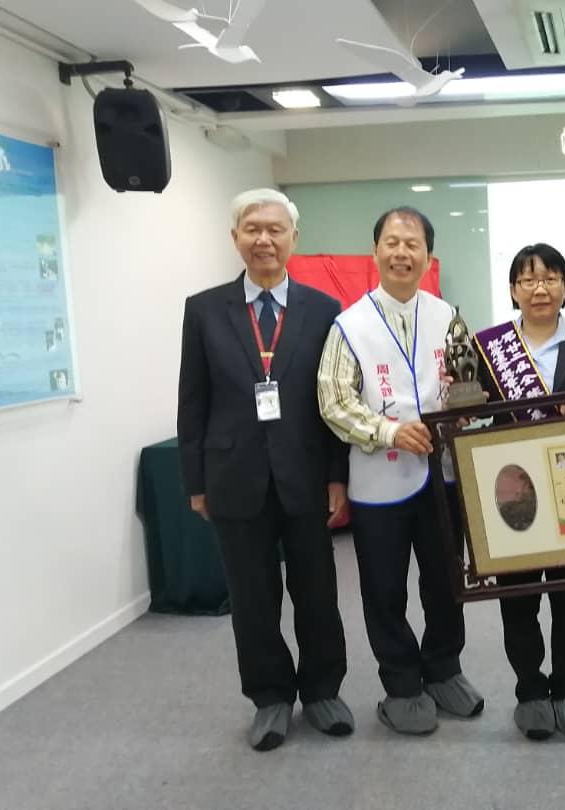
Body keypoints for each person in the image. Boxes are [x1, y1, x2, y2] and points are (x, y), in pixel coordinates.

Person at [177, 188, 352, 751]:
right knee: (252, 599)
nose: (264, 239)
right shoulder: (203, 310)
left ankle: (323, 691)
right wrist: (196, 482)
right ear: (235, 238)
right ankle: (271, 699)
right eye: (251, 228)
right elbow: (192, 401)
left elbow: (333, 402)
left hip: (304, 474)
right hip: (234, 478)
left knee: (318, 592)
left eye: (275, 229)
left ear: (293, 239)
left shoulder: (325, 310)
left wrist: (337, 475)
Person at [318, 206, 484, 735]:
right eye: (391, 242)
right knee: (384, 589)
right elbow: (333, 400)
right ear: (376, 253)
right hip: (377, 481)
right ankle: (402, 682)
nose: (401, 252)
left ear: (428, 256)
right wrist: (389, 430)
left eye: (412, 244)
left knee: (444, 581)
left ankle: (443, 668)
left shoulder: (449, 318)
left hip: (443, 478)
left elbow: (469, 385)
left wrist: (464, 416)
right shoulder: (350, 325)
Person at [474, 243, 565, 741]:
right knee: (520, 597)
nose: (540, 288)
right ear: (512, 290)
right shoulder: (490, 350)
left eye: (551, 278)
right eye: (528, 279)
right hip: (514, 493)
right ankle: (530, 691)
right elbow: (476, 414)